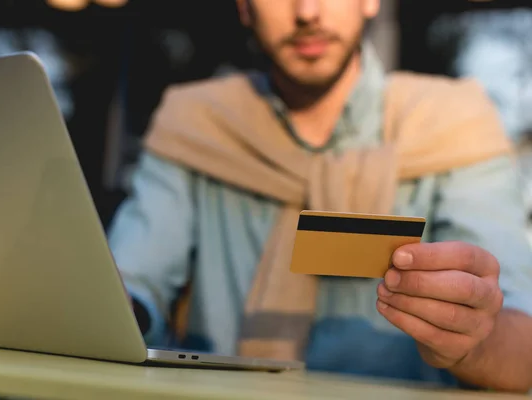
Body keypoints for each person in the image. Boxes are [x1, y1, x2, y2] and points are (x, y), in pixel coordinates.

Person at [108, 0, 532, 392]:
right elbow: (133, 286)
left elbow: (522, 341)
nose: (307, 12)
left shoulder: (452, 123)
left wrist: (473, 340)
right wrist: (113, 309)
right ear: (243, 6)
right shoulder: (195, 124)